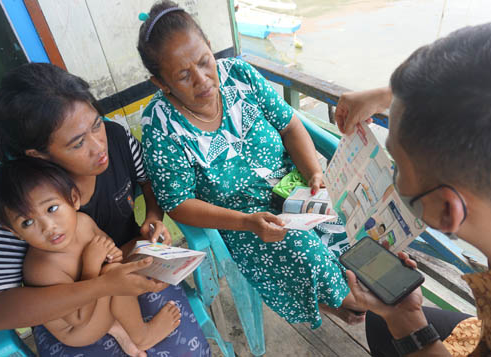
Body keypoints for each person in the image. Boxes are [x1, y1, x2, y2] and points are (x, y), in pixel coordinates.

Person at [137, 0, 365, 329]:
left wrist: (314, 172)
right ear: (161, 83)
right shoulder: (162, 127)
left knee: (350, 223)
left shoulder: (239, 75)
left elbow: (289, 126)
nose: (202, 80)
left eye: (204, 62)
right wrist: (247, 222)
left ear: (211, 48)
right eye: (183, 76)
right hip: (243, 220)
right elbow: (179, 203)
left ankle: (344, 298)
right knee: (302, 249)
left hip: (295, 189)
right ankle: (351, 303)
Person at [0, 63, 210, 356]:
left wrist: (153, 215)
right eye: (77, 143)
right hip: (70, 312)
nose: (99, 146)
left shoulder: (117, 140)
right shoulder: (21, 203)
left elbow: (148, 179)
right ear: (38, 155)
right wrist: (100, 285)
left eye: (96, 124)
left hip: (124, 268)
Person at [336, 21, 491, 356]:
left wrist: (405, 320)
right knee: (378, 321)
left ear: (447, 210)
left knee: (385, 323)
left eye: (396, 165)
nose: (393, 175)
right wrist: (394, 97)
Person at [0, 158, 182, 350]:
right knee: (111, 274)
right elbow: (80, 317)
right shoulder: (42, 268)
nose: (48, 227)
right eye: (27, 223)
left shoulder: (83, 222)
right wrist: (92, 265)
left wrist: (121, 252)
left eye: (52, 208)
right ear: (15, 232)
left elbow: (110, 250)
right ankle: (142, 336)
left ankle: (117, 326)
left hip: (96, 300)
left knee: (139, 246)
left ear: (74, 199)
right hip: (80, 330)